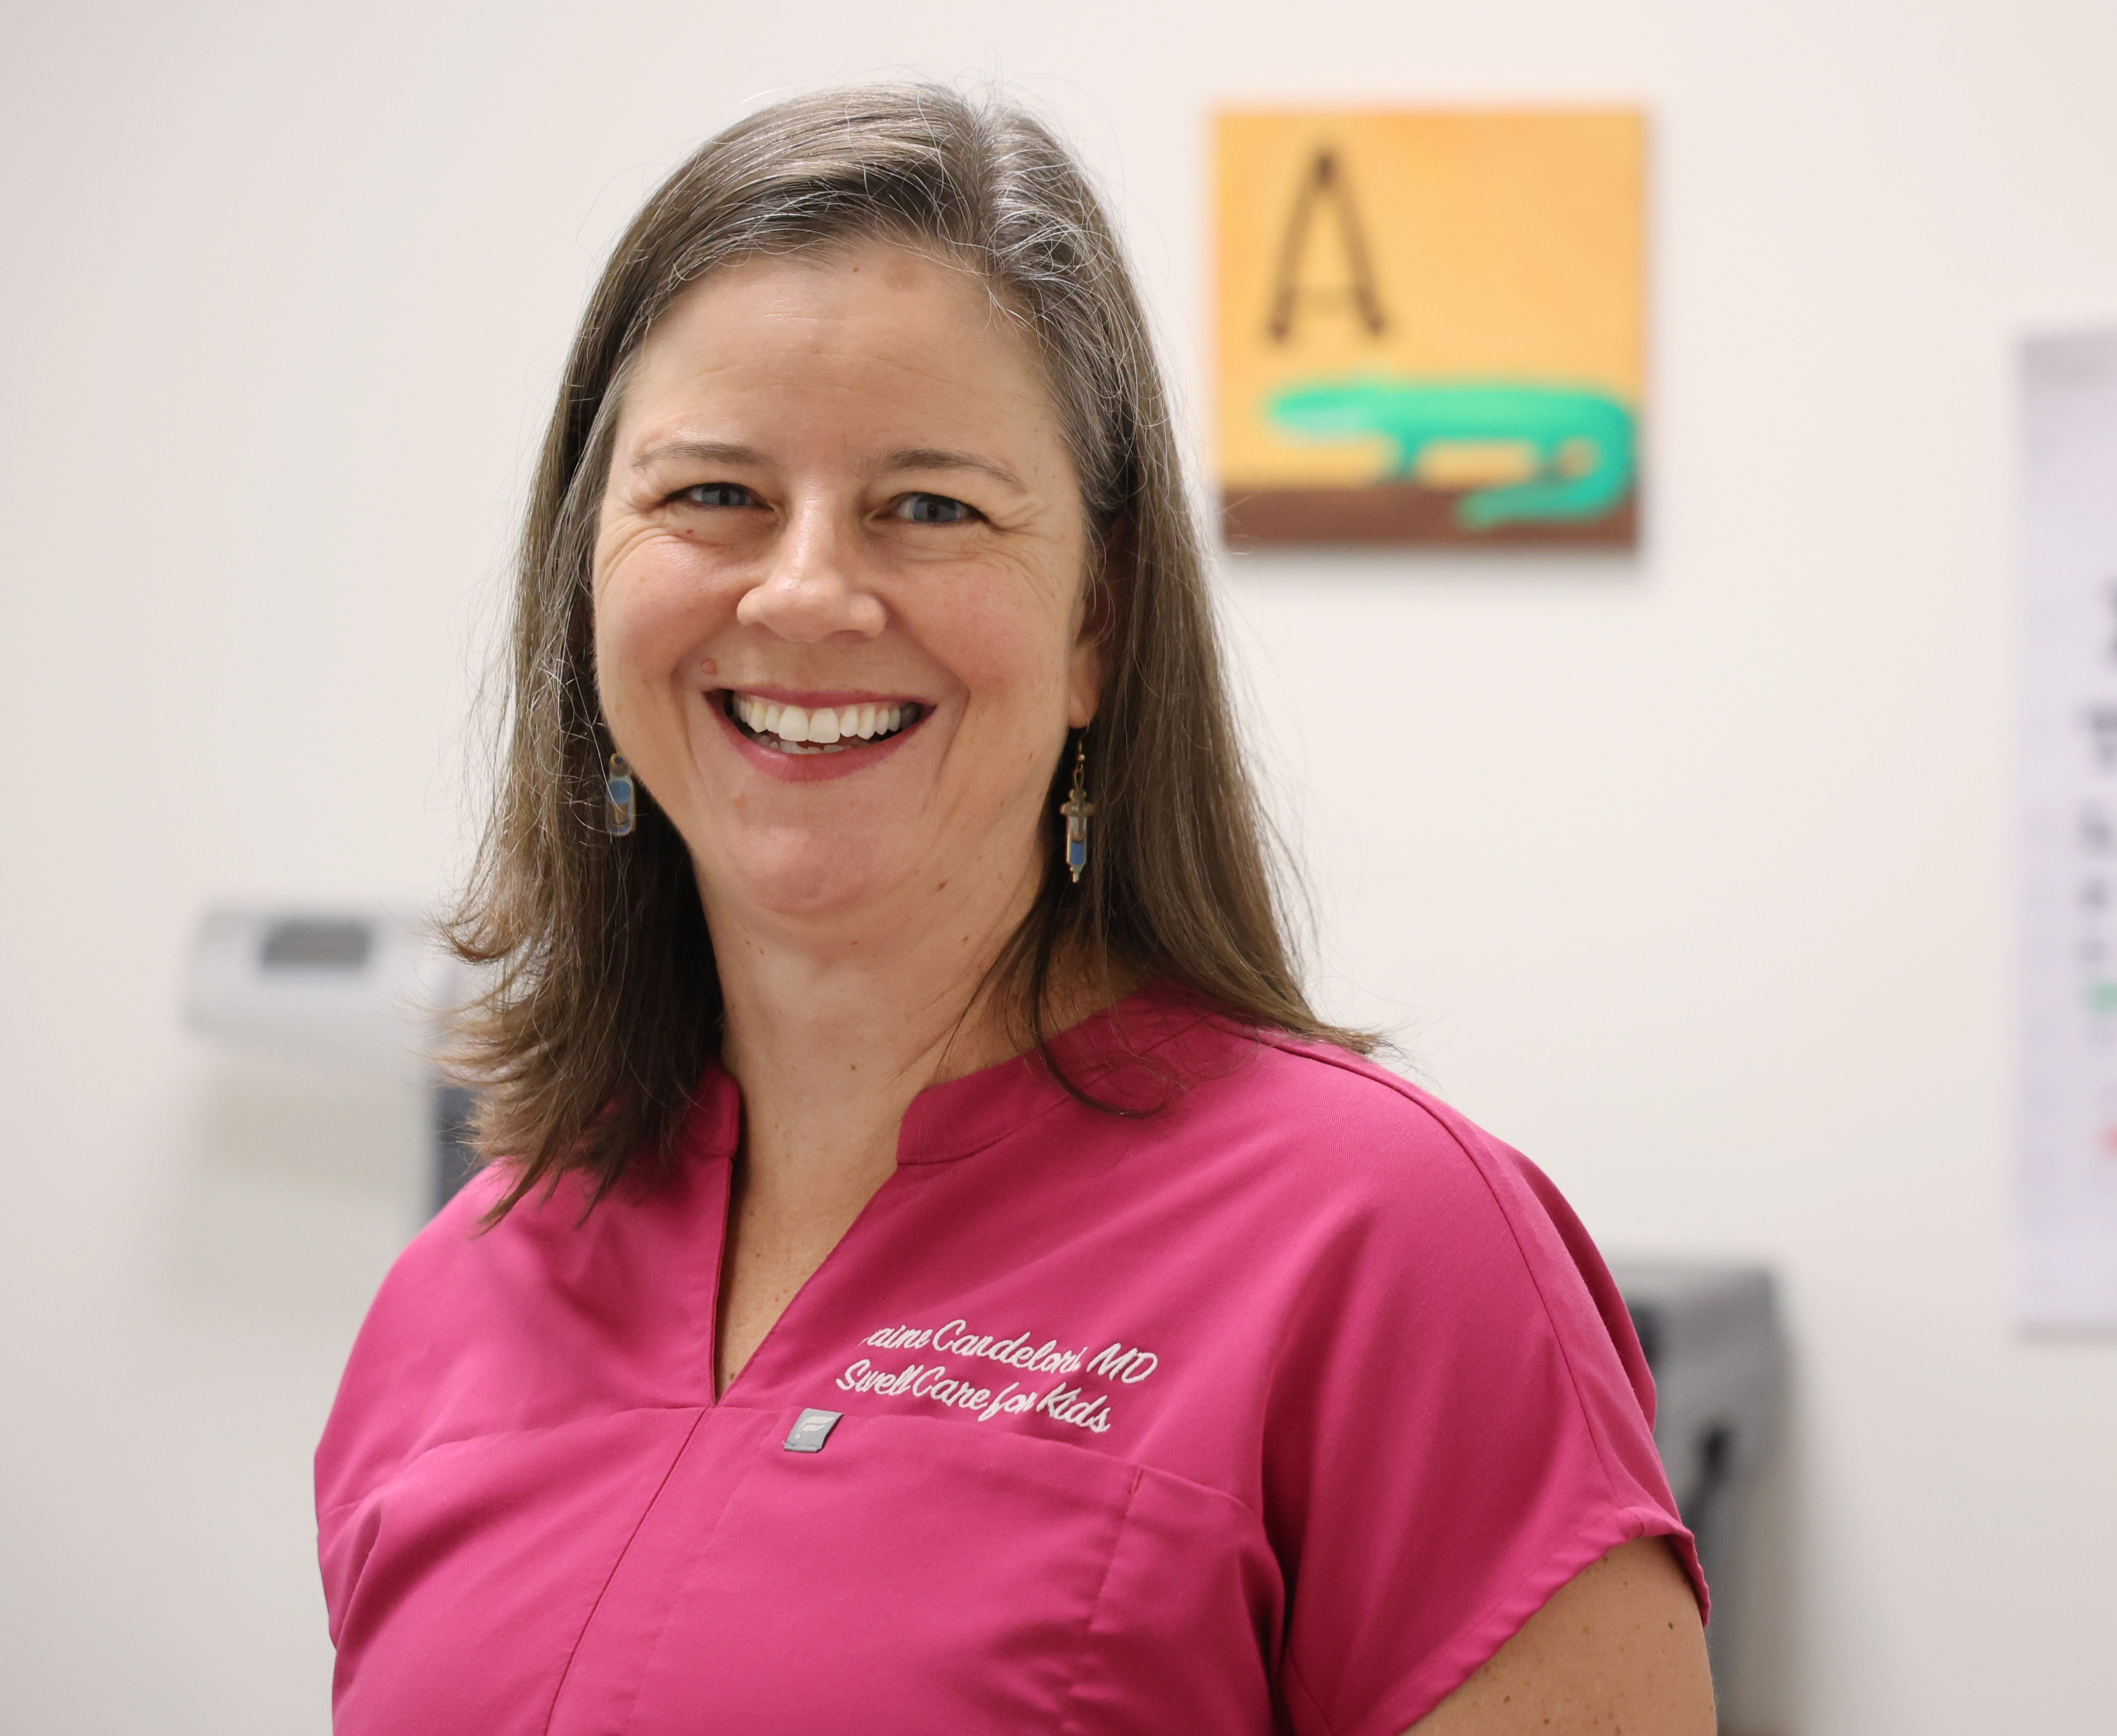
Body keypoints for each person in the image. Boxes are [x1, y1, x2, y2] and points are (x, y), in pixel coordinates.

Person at [315, 85, 1717, 1736]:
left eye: (931, 507)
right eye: (713, 496)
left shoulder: (1391, 1247)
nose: (808, 590)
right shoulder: (450, 1299)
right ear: (587, 580)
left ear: (1095, 628)